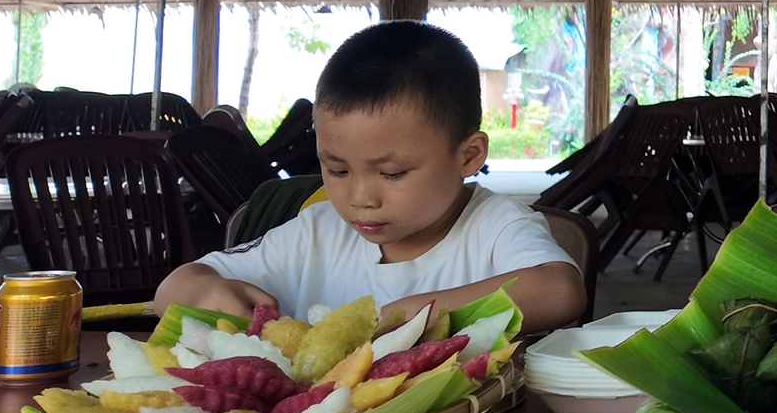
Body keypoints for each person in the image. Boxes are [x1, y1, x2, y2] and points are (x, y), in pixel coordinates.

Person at [152, 20, 587, 334]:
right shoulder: (317, 233)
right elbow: (174, 287)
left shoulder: (494, 227)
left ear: (468, 156)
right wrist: (204, 294)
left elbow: (560, 290)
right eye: (337, 170)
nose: (360, 197)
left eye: (392, 173)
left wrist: (415, 315)